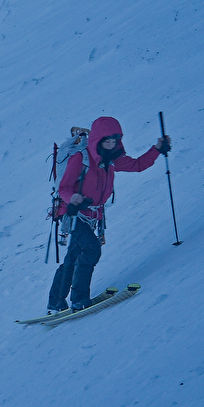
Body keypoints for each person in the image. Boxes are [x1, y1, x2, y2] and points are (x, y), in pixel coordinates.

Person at [47, 116, 171, 313]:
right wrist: (73, 199)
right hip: (73, 214)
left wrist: (156, 150)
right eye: (107, 140)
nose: (111, 144)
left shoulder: (111, 160)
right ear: (97, 139)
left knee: (74, 256)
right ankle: (79, 299)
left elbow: (138, 165)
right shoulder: (81, 158)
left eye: (115, 140)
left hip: (92, 216)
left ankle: (55, 302)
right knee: (91, 249)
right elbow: (64, 188)